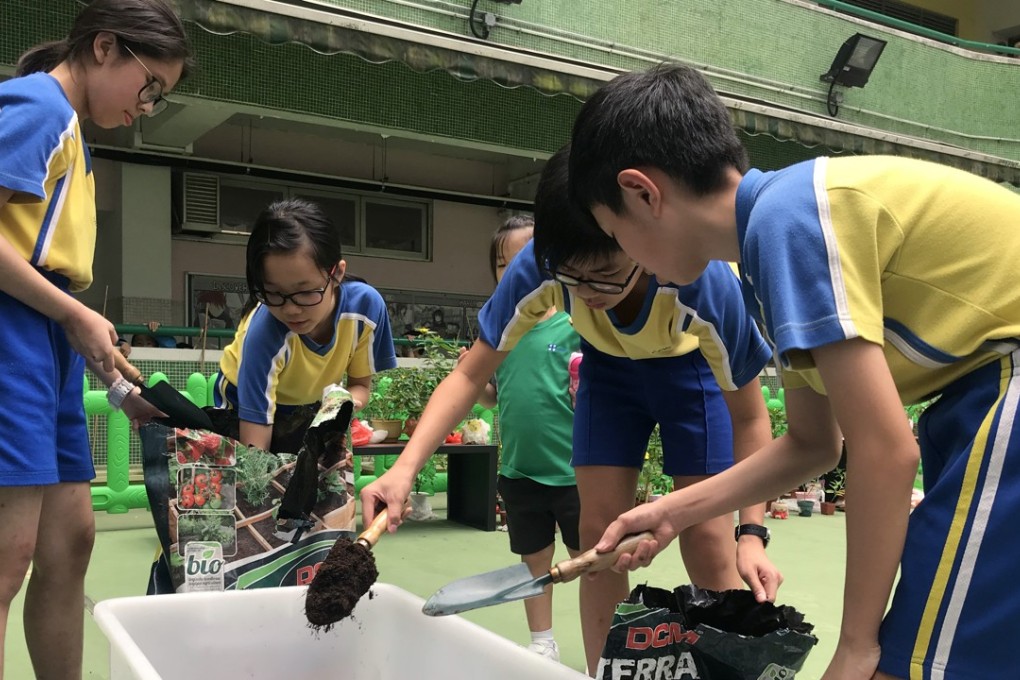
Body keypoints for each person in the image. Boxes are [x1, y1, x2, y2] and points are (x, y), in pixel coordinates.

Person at [568, 63, 1020, 680]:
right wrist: (675, 511)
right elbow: (813, 445)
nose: (625, 256)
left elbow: (885, 450)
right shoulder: (773, 240)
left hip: (1004, 389)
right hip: (975, 395)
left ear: (643, 193)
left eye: (612, 229)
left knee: (908, 657)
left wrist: (856, 643)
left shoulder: (789, 222)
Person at [363, 147, 782, 674]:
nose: (589, 294)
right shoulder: (541, 263)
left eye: (606, 275)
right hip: (608, 374)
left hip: (690, 375)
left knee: (707, 540)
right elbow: (471, 372)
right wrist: (404, 470)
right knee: (600, 540)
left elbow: (749, 416)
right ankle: (603, 671)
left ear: (636, 235)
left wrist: (752, 533)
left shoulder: (700, 279)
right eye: (573, 281)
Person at [0, 1, 190, 676]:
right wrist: (75, 315)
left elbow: (38, 265)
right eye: (151, 88)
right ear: (105, 48)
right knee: (7, 556)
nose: (148, 107)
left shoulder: (74, 135)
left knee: (69, 542)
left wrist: (109, 373)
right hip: (9, 333)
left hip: (40, 336)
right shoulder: (40, 108)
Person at [476, 215, 582, 661]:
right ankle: (543, 642)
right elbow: (490, 396)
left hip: (575, 470)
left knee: (591, 560)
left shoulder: (575, 322)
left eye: (527, 257)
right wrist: (476, 382)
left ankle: (606, 639)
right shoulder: (498, 328)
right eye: (504, 263)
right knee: (534, 562)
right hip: (519, 468)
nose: (515, 269)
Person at [214, 198, 398, 452]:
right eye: (273, 293)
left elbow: (360, 386)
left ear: (336, 273)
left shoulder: (366, 309)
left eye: (305, 292)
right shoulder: (264, 333)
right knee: (251, 476)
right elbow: (255, 449)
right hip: (241, 402)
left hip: (308, 406)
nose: (290, 309)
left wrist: (342, 403)